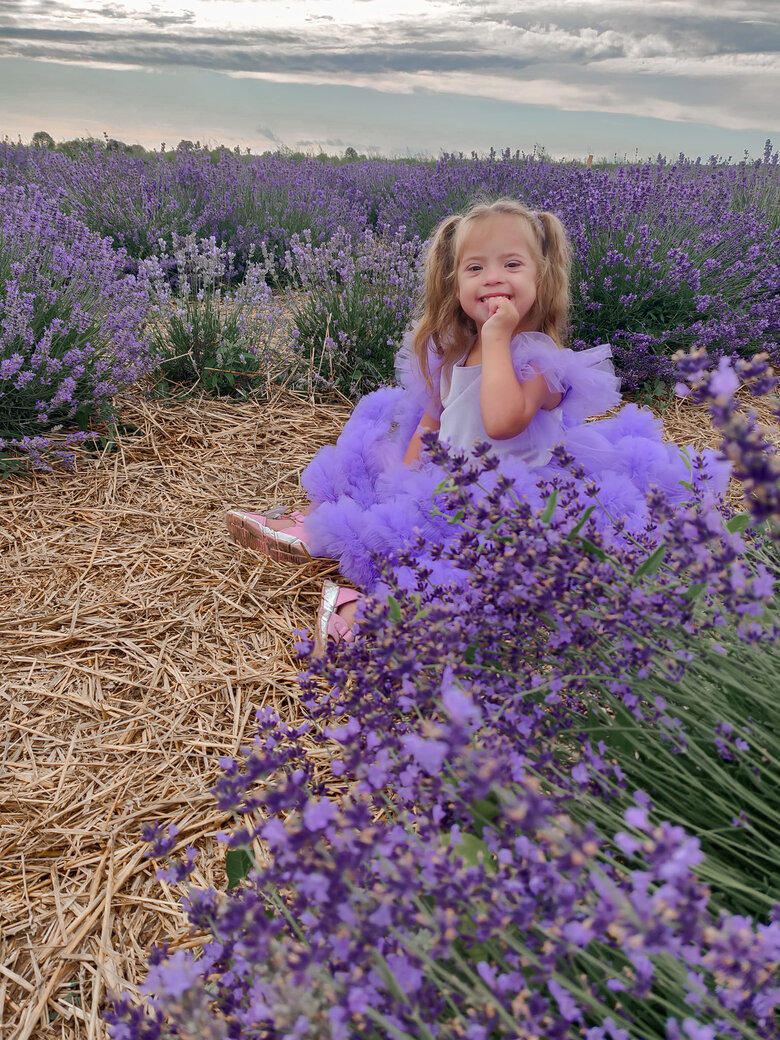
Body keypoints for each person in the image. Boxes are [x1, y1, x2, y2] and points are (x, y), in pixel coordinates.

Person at [227, 199, 729, 652]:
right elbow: (433, 418)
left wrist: (498, 340)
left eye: (512, 264)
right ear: (454, 282)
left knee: (475, 567)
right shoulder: (452, 350)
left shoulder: (542, 362)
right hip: (448, 476)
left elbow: (503, 421)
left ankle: (377, 608)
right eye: (475, 267)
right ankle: (317, 530)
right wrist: (399, 484)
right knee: (373, 463)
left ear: (541, 277)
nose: (493, 277)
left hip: (514, 495)